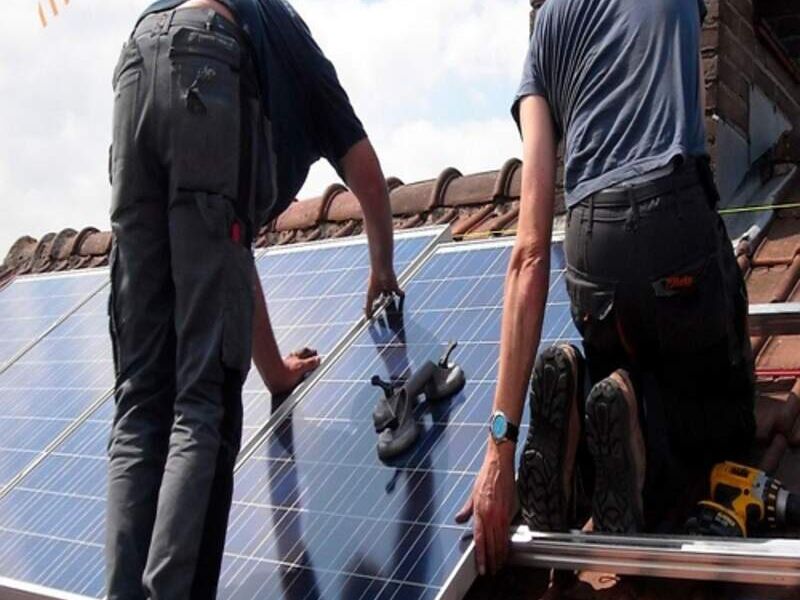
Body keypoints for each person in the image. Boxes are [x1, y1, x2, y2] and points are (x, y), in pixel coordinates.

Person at [105, 0, 402, 598]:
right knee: (203, 401)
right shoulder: (304, 64)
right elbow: (369, 176)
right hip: (207, 66)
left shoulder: (265, 46)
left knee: (140, 399)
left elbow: (232, 263)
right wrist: (382, 270)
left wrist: (275, 373)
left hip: (136, 62)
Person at [456, 0, 755, 579]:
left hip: (594, 249)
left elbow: (529, 251)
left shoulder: (544, 33)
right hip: (677, 222)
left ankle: (583, 403)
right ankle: (641, 418)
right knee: (725, 423)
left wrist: (500, 446)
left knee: (619, 371)